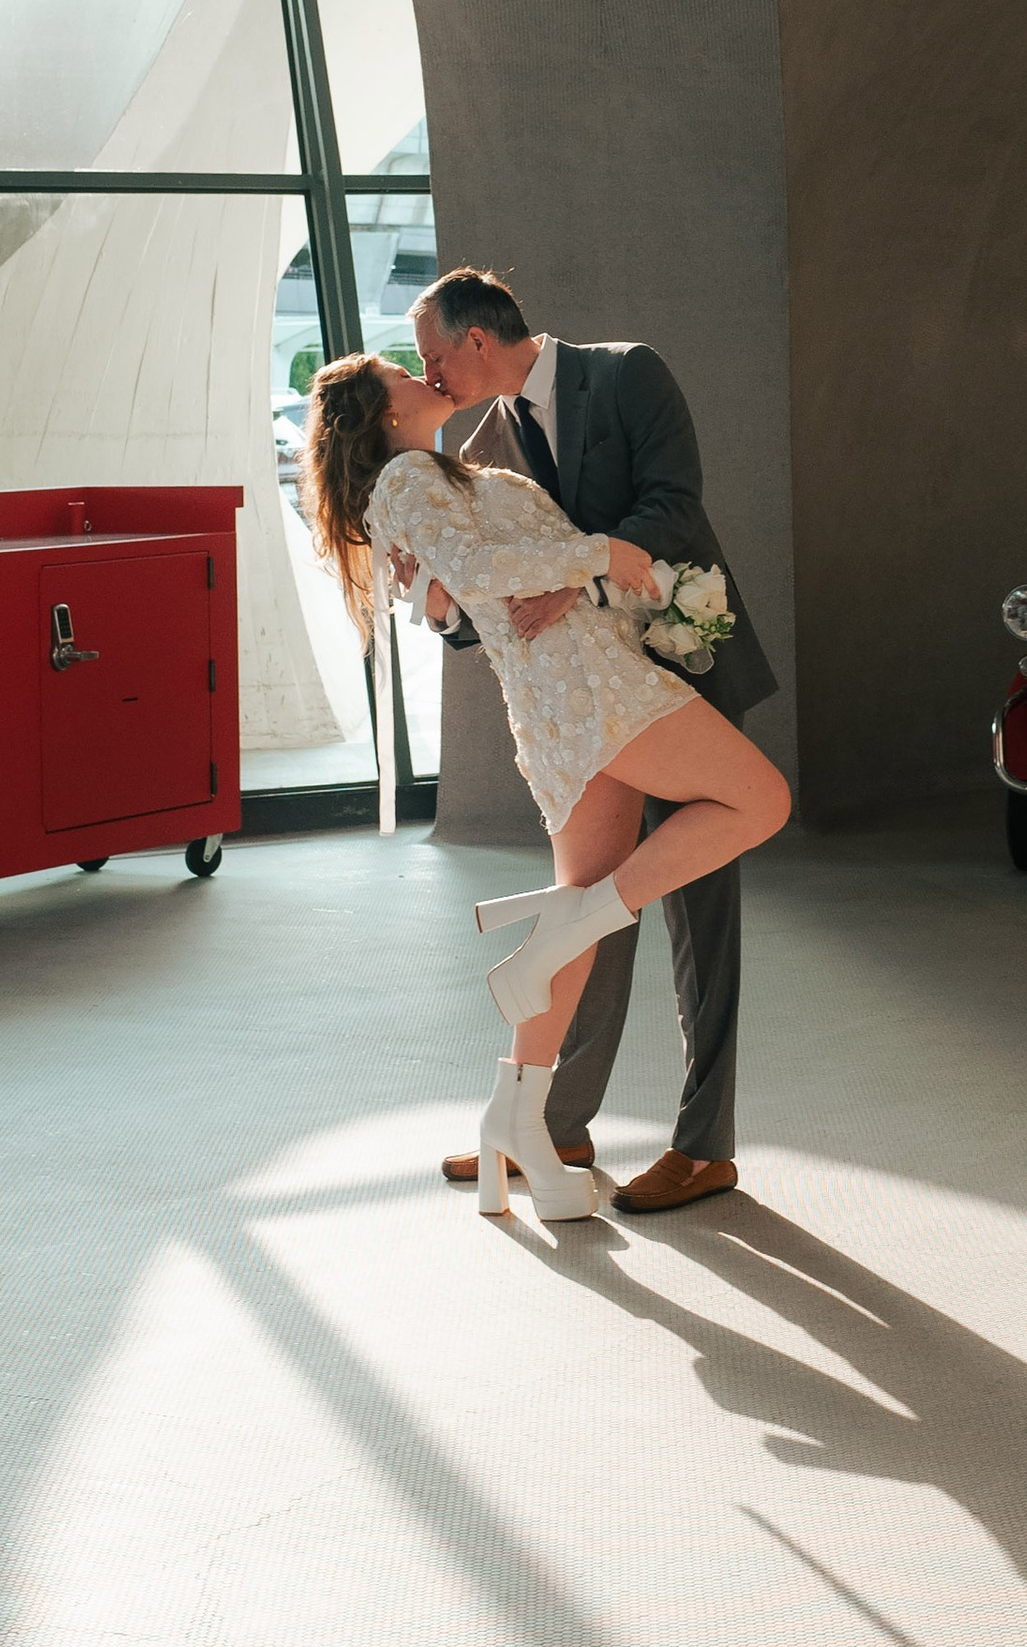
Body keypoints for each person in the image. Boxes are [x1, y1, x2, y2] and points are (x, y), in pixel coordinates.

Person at [301, 353, 789, 1223]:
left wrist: (514, 581)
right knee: (759, 803)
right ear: (383, 415)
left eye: (430, 355)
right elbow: (493, 574)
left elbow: (491, 569)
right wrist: (599, 555)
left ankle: (516, 1123)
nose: (425, 373)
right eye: (404, 370)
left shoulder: (456, 465)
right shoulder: (409, 476)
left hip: (563, 696)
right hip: (595, 689)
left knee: (578, 919)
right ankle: (563, 944)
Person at [411, 270, 774, 1213]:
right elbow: (491, 596)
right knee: (592, 908)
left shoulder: (625, 376)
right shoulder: (486, 446)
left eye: (435, 355)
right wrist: (440, 602)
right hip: (590, 706)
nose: (431, 374)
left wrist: (581, 579)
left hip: (679, 672)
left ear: (480, 340)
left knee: (702, 916)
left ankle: (705, 1147)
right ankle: (553, 1123)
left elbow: (675, 508)